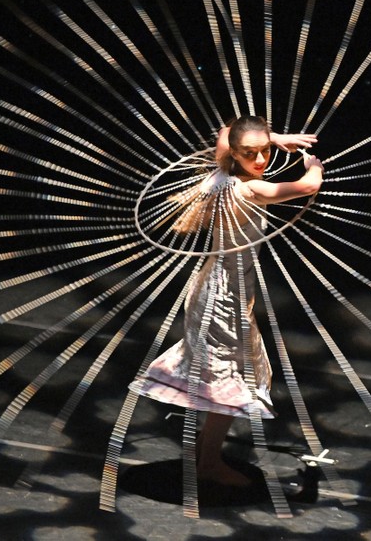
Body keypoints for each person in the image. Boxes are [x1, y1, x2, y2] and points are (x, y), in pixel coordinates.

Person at [129, 116, 322, 487]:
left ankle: (206, 451)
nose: (261, 160)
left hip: (213, 287)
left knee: (226, 370)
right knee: (231, 376)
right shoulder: (249, 191)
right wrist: (313, 165)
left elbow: (223, 132)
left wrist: (275, 138)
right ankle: (209, 464)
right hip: (223, 297)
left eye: (264, 151)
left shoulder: (218, 172)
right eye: (250, 153)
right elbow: (307, 186)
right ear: (235, 153)